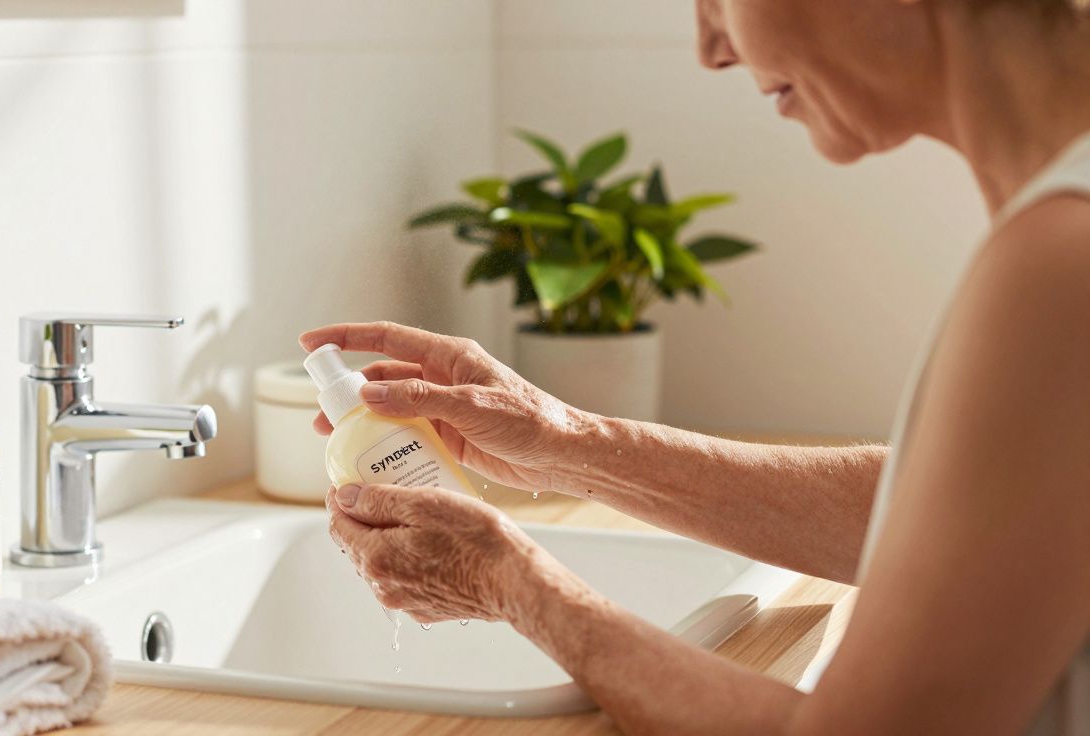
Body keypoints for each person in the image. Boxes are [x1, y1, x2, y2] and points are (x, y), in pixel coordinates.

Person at [303, 0, 1090, 732]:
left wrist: (510, 583)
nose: (711, 48)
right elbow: (963, 516)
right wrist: (565, 440)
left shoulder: (1060, 264)